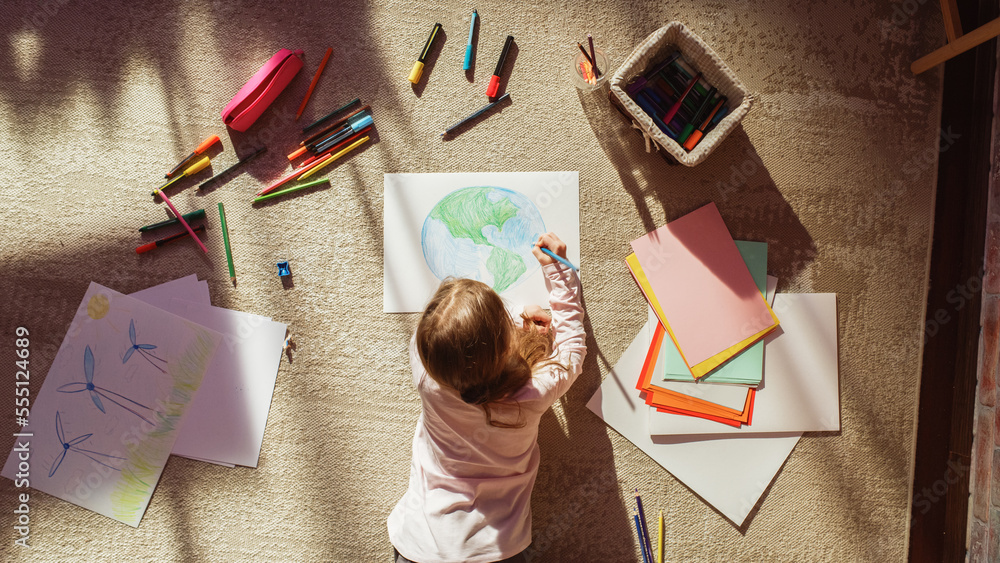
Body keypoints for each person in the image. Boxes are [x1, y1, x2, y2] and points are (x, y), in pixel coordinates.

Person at [387, 232, 587, 563]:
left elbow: (449, 334)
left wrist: (516, 317)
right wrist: (558, 274)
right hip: (496, 551)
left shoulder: (425, 371)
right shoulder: (533, 393)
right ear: (507, 343)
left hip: (420, 544)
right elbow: (572, 351)